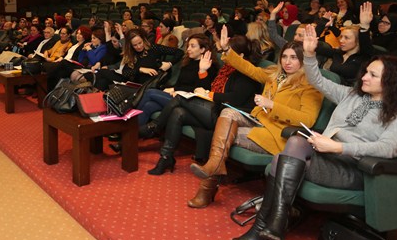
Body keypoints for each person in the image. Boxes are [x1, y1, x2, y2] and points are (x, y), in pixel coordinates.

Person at [232, 25, 397, 240]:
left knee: (280, 159)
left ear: (392, 82)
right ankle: (271, 225)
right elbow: (318, 80)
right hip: (325, 156)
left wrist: (338, 147)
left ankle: (268, 226)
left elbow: (388, 148)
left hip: (355, 169)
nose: (364, 77)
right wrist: (308, 54)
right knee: (294, 143)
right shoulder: (353, 95)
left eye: (372, 75)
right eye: (366, 72)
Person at [186, 26, 323, 208]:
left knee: (224, 135)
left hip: (276, 133)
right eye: (284, 57)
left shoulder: (311, 84)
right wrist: (226, 49)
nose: (287, 62)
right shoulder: (276, 74)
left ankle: (206, 188)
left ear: (303, 60)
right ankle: (214, 167)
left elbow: (307, 119)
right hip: (259, 120)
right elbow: (249, 69)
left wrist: (273, 105)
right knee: (227, 113)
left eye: (294, 58)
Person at [145, 34, 262, 175]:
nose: (224, 56)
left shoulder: (247, 74)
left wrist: (208, 94)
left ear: (240, 56)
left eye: (228, 52)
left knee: (180, 99)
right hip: (213, 108)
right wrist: (202, 71)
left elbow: (234, 99)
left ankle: (154, 126)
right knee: (178, 113)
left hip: (226, 118)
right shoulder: (227, 70)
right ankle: (166, 157)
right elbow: (203, 87)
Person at [137, 33, 219, 134]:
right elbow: (180, 83)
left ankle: (128, 121)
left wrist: (176, 89)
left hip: (190, 103)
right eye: (188, 46)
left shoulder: (210, 66)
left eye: (192, 46)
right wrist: (172, 88)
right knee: (149, 105)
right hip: (177, 96)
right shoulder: (187, 62)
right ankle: (133, 135)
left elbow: (201, 90)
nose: (188, 49)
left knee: (150, 92)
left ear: (202, 49)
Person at [313, 2, 376, 86]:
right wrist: (322, 23)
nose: (341, 40)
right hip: (330, 89)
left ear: (358, 41)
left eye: (346, 38)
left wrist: (364, 25)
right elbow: (312, 44)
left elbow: (366, 44)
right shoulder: (338, 53)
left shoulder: (365, 56)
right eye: (341, 37)